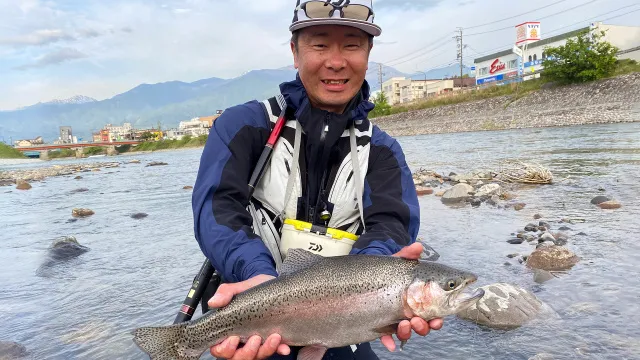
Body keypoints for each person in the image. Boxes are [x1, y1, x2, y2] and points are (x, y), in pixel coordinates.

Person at [191, 1, 442, 359]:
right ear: (295, 52)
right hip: (249, 308)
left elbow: (391, 225)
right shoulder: (242, 126)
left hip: (342, 320)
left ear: (368, 55)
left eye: (352, 45)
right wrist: (257, 274)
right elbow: (217, 211)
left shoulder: (383, 150)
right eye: (320, 44)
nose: (336, 62)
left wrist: (377, 290)